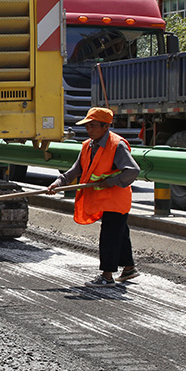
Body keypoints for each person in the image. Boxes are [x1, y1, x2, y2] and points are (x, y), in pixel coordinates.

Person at [46, 107, 141, 288]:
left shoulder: (117, 145)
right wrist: (58, 183)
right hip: (102, 199)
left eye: (93, 126)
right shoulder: (88, 146)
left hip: (115, 199)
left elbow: (133, 170)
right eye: (87, 126)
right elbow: (75, 170)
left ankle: (107, 276)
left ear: (105, 127)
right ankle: (129, 268)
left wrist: (111, 181)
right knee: (119, 232)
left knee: (109, 235)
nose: (88, 129)